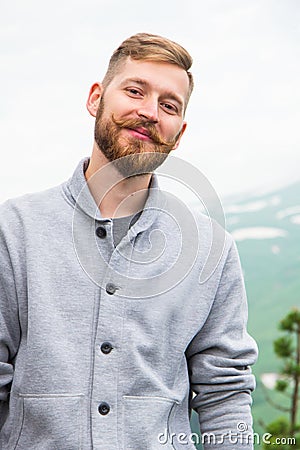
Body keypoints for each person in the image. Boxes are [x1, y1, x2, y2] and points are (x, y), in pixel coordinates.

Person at [0, 33, 258, 449]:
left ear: (180, 132)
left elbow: (224, 396)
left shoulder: (214, 249)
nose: (150, 112)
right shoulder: (13, 229)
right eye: (135, 90)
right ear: (95, 98)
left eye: (169, 105)